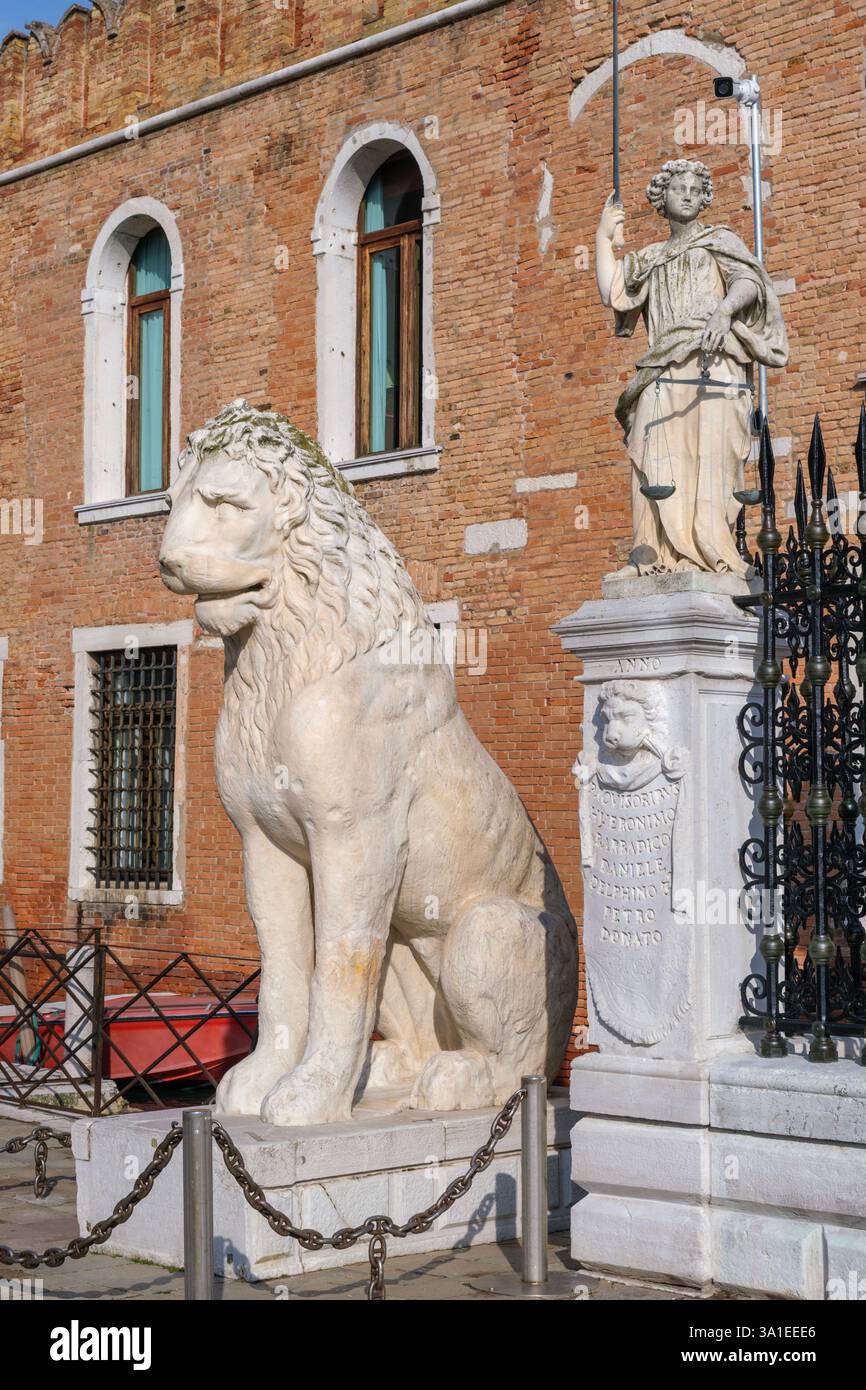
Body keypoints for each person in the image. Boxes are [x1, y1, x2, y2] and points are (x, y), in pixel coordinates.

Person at [595, 158, 788, 575]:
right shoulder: (650, 258)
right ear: (662, 199)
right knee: (650, 453)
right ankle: (650, 552)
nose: (687, 194)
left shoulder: (719, 240)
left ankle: (707, 551)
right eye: (678, 188)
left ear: (704, 199)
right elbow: (613, 292)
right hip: (661, 368)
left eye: (695, 189)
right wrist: (603, 236)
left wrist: (724, 311)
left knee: (711, 454)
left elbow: (749, 282)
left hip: (712, 361)